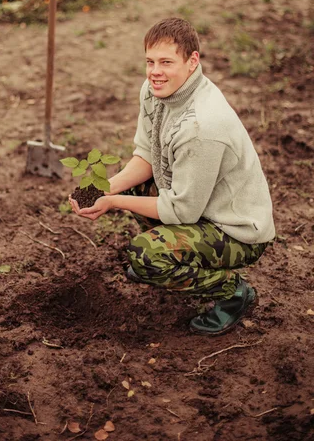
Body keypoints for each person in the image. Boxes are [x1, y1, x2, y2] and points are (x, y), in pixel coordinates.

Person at [69, 17, 275, 336]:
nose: (155, 72)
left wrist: (113, 201)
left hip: (236, 230)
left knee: (144, 253)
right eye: (150, 62)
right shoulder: (156, 92)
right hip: (200, 207)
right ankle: (169, 260)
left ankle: (232, 293)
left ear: (192, 61)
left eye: (166, 62)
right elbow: (147, 157)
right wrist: (103, 188)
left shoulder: (202, 127)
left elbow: (182, 211)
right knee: (136, 188)